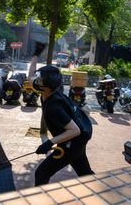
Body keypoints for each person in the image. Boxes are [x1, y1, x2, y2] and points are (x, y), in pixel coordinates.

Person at [29, 42, 94, 186]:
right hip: (76, 142)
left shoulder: (54, 107)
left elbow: (74, 130)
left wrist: (49, 142)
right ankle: (105, 194)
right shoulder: (47, 91)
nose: (36, 78)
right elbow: (30, 77)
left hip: (72, 144)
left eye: (39, 77)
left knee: (42, 173)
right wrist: (36, 55)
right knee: (86, 174)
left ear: (45, 84)